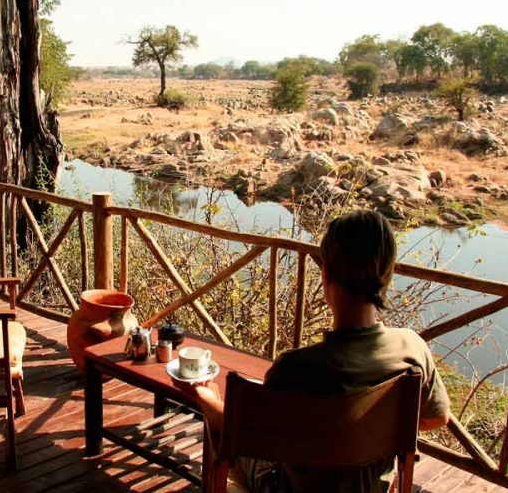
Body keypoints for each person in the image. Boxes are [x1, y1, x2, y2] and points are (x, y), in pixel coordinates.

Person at [177, 210, 451, 492]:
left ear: (326, 272)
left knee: (228, 433)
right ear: (388, 274)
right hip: (370, 487)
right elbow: (437, 417)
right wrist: (368, 432)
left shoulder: (295, 368)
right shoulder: (412, 348)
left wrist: (206, 398)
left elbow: (246, 434)